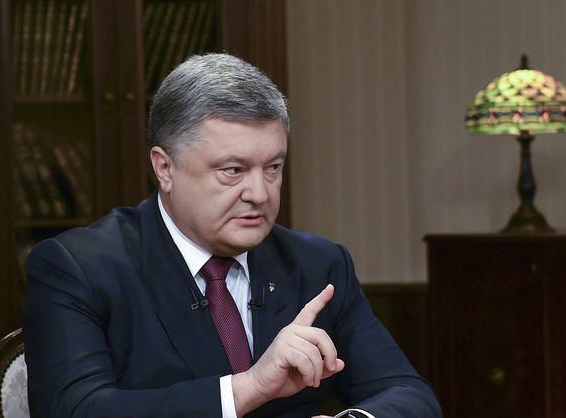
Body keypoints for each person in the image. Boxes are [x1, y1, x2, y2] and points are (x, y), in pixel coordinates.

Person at [24, 53, 442, 418]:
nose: (259, 193)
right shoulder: (79, 267)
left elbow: (409, 395)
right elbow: (78, 410)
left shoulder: (319, 265)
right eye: (233, 171)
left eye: (273, 168)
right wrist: (249, 388)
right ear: (165, 168)